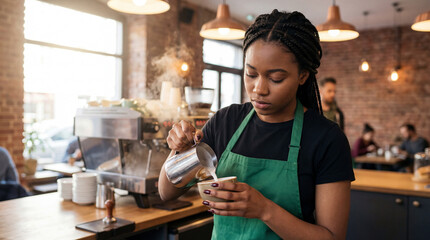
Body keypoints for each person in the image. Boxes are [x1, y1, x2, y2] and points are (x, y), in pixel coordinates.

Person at [158, 10, 354, 239]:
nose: (259, 89)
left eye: (276, 78)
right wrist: (179, 149)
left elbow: (332, 237)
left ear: (302, 75)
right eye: (251, 74)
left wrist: (264, 210)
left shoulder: (326, 139)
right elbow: (166, 191)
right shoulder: (226, 122)